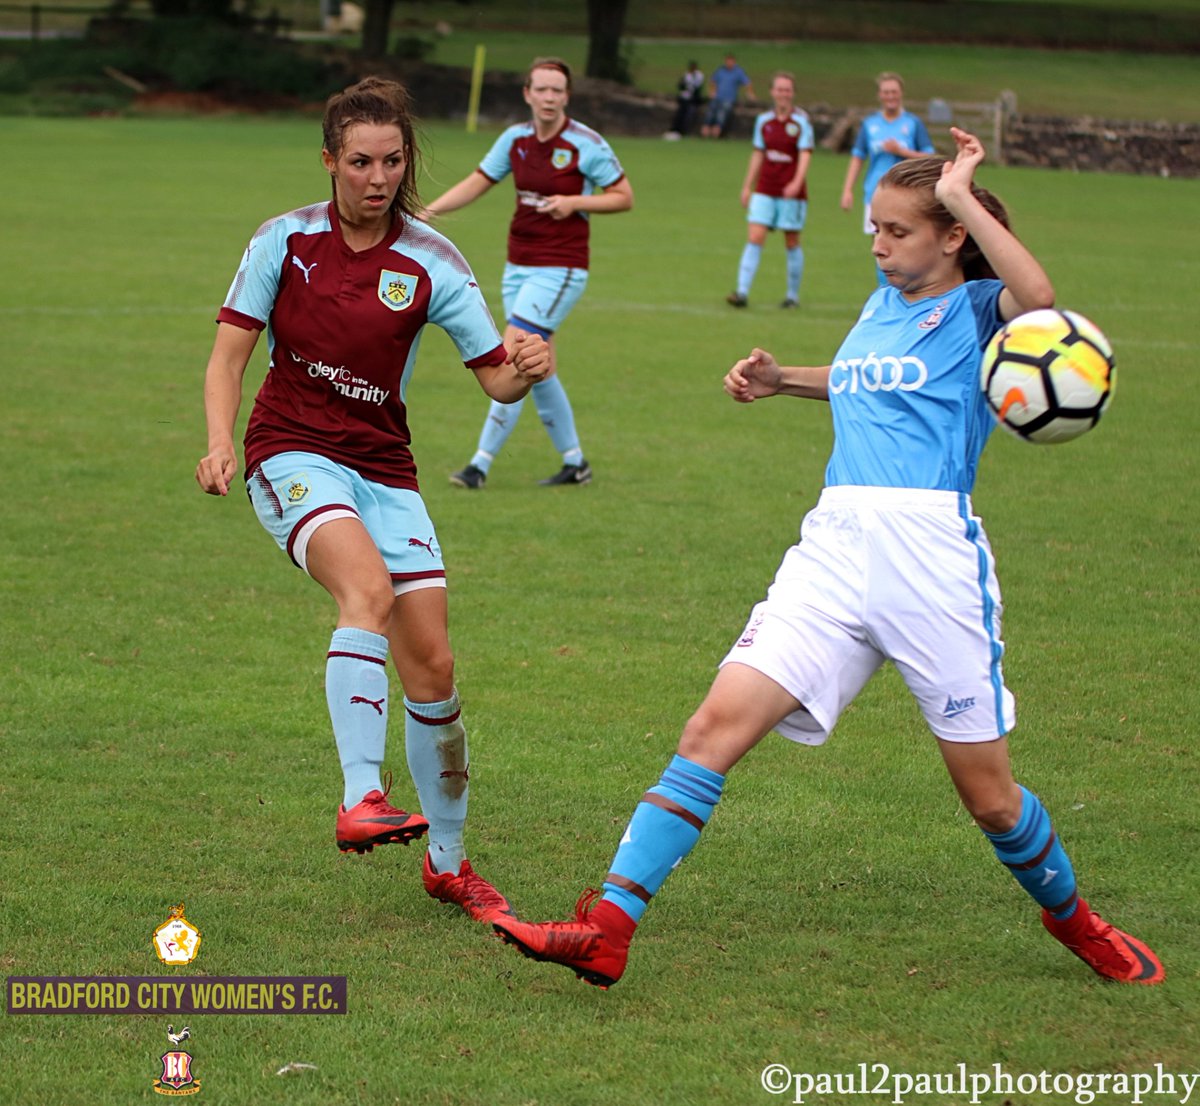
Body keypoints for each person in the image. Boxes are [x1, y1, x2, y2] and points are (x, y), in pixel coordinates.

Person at [490, 129, 1165, 990]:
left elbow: (1041, 301)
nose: (878, 245)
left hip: (930, 556)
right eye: (875, 230)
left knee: (990, 798)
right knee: (713, 727)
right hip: (834, 547)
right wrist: (784, 381)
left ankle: (1074, 919)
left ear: (952, 234)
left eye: (898, 231)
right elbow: (865, 379)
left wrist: (960, 195)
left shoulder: (978, 312)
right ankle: (609, 925)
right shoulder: (881, 304)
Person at [195, 77, 551, 925]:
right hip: (289, 451)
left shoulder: (432, 260)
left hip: (385, 471)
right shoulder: (283, 241)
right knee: (367, 594)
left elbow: (495, 378)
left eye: (392, 161)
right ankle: (362, 796)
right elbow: (228, 356)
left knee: (433, 665)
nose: (377, 177)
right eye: (359, 161)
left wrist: (526, 370)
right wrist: (218, 439)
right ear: (329, 161)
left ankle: (449, 864)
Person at [422, 57, 634, 490]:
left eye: (558, 90)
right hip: (518, 264)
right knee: (541, 367)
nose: (550, 98)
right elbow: (478, 181)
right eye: (542, 89)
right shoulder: (515, 139)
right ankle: (575, 463)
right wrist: (427, 212)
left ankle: (479, 465)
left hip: (561, 269)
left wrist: (575, 202)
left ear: (567, 96)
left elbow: (623, 196)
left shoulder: (584, 143)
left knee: (512, 353)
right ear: (528, 94)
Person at [725, 72, 814, 310]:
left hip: (790, 192)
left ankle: (792, 296)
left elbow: (805, 154)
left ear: (792, 93)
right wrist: (747, 186)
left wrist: (797, 181)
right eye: (779, 89)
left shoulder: (801, 123)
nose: (783, 94)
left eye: (787, 90)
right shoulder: (764, 122)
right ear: (772, 92)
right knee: (755, 236)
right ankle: (742, 292)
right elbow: (758, 154)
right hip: (765, 187)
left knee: (792, 240)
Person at [840, 71, 936, 284]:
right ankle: (885, 293)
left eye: (894, 92)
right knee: (880, 246)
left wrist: (901, 151)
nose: (890, 96)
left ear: (901, 94)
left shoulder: (912, 123)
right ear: (880, 95)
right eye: (886, 92)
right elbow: (858, 157)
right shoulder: (870, 124)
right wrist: (847, 190)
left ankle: (908, 289)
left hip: (907, 195)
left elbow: (929, 157)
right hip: (874, 195)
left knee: (905, 244)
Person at [701, 53, 755, 139]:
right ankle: (706, 130)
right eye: (727, 61)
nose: (729, 63)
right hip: (717, 97)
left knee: (722, 113)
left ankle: (717, 131)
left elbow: (747, 83)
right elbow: (712, 81)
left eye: (731, 61)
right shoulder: (720, 71)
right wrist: (712, 92)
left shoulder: (738, 72)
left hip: (729, 98)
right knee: (710, 112)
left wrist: (750, 94)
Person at [665, 60, 705, 139]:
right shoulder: (687, 75)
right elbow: (681, 86)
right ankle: (675, 130)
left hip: (693, 100)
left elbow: (696, 88)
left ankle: (682, 131)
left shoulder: (699, 75)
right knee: (680, 114)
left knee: (689, 115)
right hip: (684, 99)